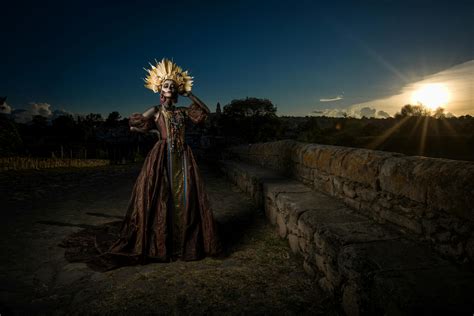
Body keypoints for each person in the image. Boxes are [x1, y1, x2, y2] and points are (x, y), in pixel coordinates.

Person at [97, 58, 223, 266]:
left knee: (186, 195)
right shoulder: (155, 110)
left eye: (173, 86)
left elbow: (206, 112)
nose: (170, 89)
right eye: (166, 86)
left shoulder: (183, 112)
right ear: (160, 90)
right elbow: (135, 124)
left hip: (183, 155)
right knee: (161, 194)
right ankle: (162, 239)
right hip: (162, 155)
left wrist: (189, 94)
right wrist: (150, 130)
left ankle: (184, 239)